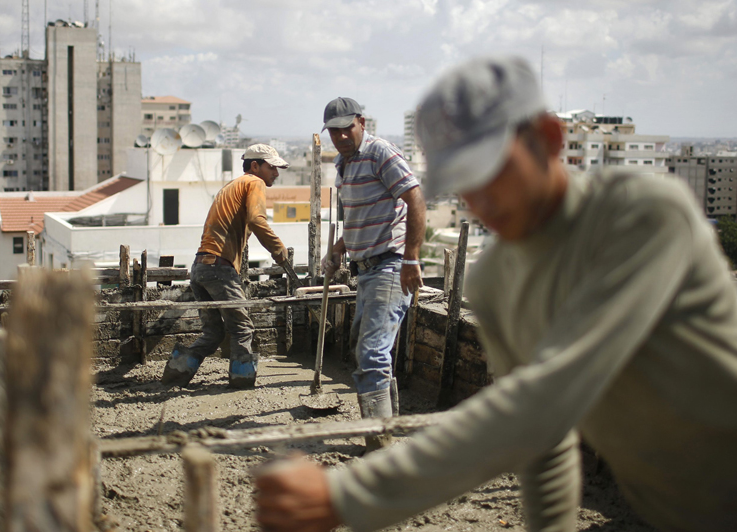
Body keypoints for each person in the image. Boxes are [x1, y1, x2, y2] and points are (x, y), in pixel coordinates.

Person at [255, 56, 737, 532]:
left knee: (373, 354)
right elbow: (541, 440)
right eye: (463, 183)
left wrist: (350, 498)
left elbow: (545, 395)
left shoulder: (642, 217)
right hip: (672, 511)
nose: (480, 200)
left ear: (548, 138)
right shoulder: (498, 282)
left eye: (492, 170)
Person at [320, 97, 426, 451]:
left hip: (390, 264)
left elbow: (415, 198)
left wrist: (411, 258)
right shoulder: (344, 164)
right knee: (363, 348)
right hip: (365, 269)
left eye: (346, 128)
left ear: (361, 123)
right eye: (333, 131)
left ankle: (380, 443)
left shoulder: (380, 152)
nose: (340, 136)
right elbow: (356, 218)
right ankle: (387, 429)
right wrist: (338, 248)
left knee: (372, 354)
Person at [161, 144, 290, 390]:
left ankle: (174, 377)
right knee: (242, 328)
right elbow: (257, 219)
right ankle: (242, 383)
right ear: (255, 166)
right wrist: (278, 249)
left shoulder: (231, 186)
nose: (276, 173)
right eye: (272, 167)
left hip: (201, 267)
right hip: (219, 268)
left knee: (213, 334)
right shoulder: (254, 183)